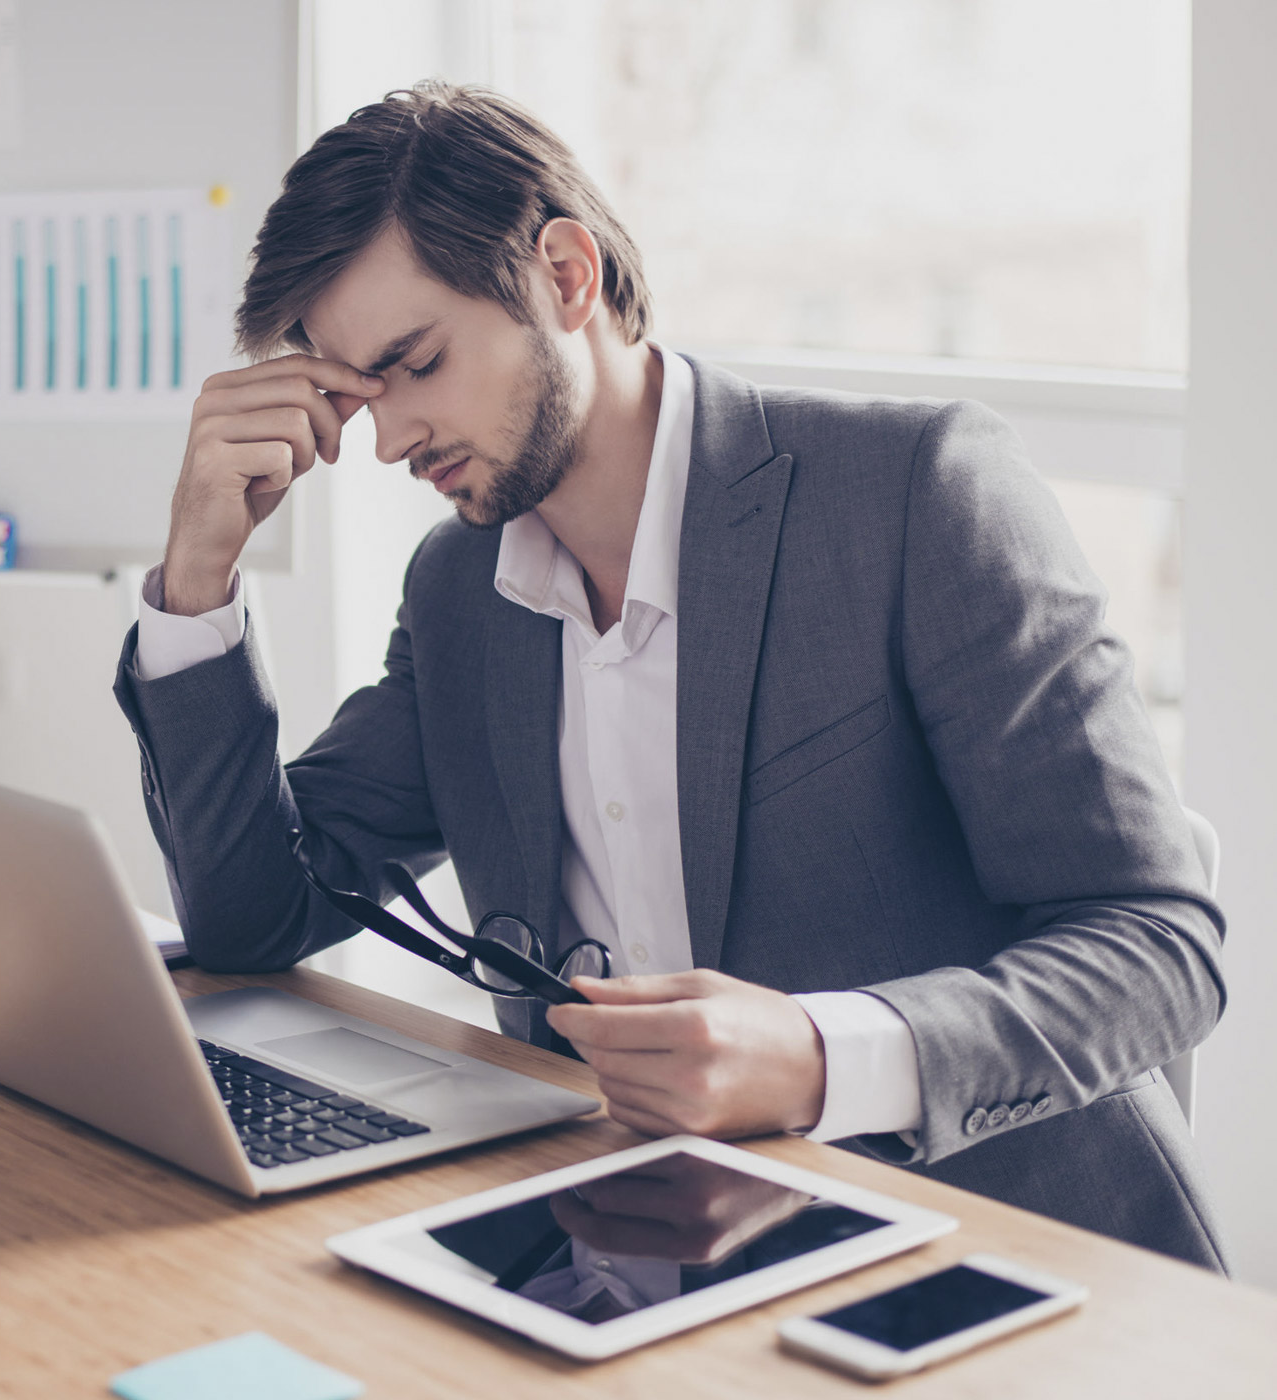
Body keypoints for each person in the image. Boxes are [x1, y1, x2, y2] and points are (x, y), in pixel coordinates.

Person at [110, 81, 1225, 1269]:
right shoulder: (460, 591)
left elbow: (1160, 943)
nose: (387, 441)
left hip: (987, 1264)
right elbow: (254, 916)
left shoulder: (911, 494)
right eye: (357, 394)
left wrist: (816, 1054)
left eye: (417, 364)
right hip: (626, 1262)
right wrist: (198, 574)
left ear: (567, 276)